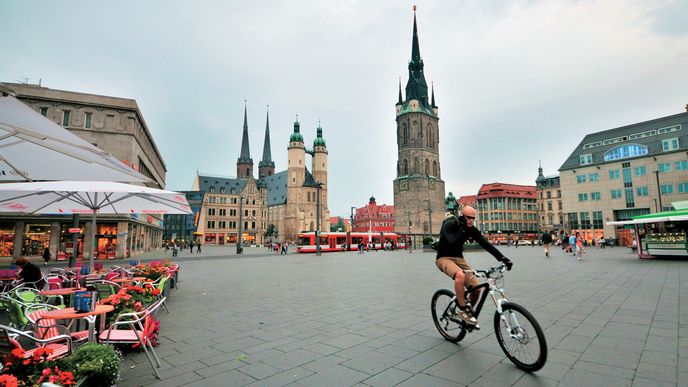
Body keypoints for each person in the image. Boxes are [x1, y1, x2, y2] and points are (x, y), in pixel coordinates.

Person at [435, 203, 513, 328]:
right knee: (460, 275)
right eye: (468, 218)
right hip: (444, 258)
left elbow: (486, 245)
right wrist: (463, 228)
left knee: (477, 288)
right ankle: (462, 309)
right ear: (461, 216)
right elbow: (453, 242)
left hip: (459, 258)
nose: (471, 220)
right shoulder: (449, 225)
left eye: (473, 218)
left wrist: (503, 258)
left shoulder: (470, 228)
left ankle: (469, 313)